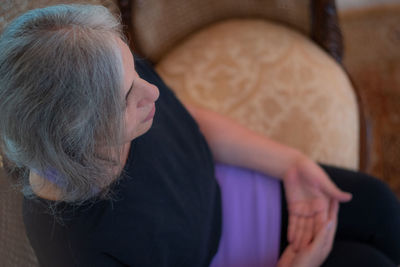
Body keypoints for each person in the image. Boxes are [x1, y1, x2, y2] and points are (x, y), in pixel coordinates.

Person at [0, 4, 399, 267]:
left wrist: (291, 164)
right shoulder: (76, 249)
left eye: (135, 70)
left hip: (240, 187)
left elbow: (195, 125)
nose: (152, 91)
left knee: (380, 203)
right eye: (127, 96)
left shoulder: (107, 73)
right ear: (79, 139)